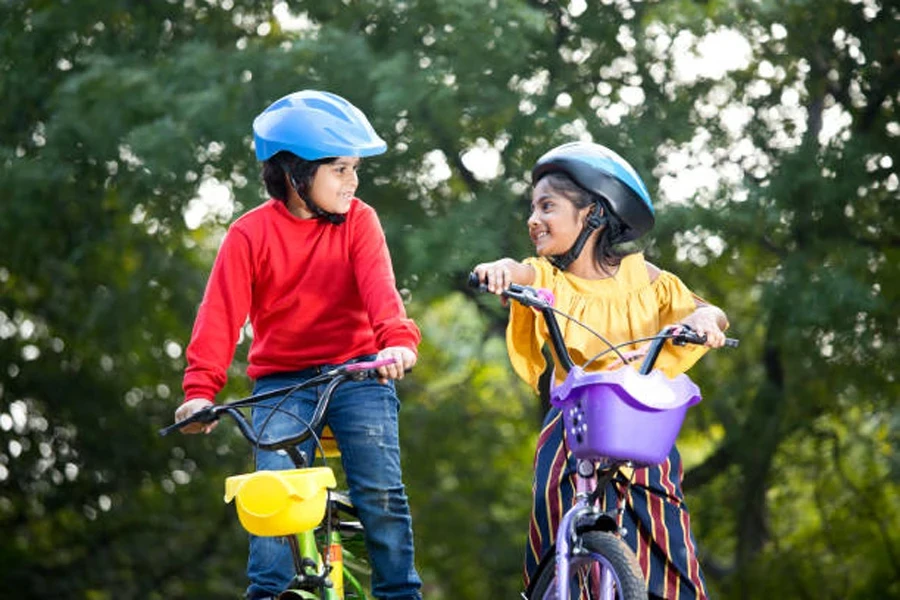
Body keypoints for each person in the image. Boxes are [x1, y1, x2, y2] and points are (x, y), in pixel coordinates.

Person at [174, 90, 423, 600]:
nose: (353, 182)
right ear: (295, 175)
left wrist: (396, 344)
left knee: (381, 493)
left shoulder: (360, 222)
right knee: (275, 491)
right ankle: (269, 593)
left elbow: (381, 293)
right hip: (285, 380)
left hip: (358, 371)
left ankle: (400, 593)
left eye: (355, 169)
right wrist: (200, 391)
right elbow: (220, 317)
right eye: (340, 169)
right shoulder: (249, 235)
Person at [472, 141, 729, 600]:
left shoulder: (643, 277)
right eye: (532, 208)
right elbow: (517, 271)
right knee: (554, 515)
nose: (533, 219)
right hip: (575, 424)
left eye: (547, 206)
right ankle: (557, 584)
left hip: (642, 425)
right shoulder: (546, 277)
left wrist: (703, 320)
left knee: (668, 535)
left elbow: (706, 310)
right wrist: (499, 271)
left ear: (591, 212)